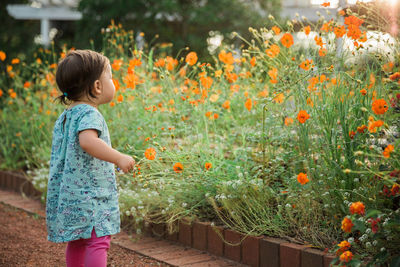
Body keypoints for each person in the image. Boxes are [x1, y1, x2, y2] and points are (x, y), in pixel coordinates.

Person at [45, 49, 135, 267]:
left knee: (77, 242)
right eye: (110, 77)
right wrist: (119, 158)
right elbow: (88, 141)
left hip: (70, 194)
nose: (113, 83)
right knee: (98, 241)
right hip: (90, 197)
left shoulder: (67, 115)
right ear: (97, 86)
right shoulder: (89, 114)